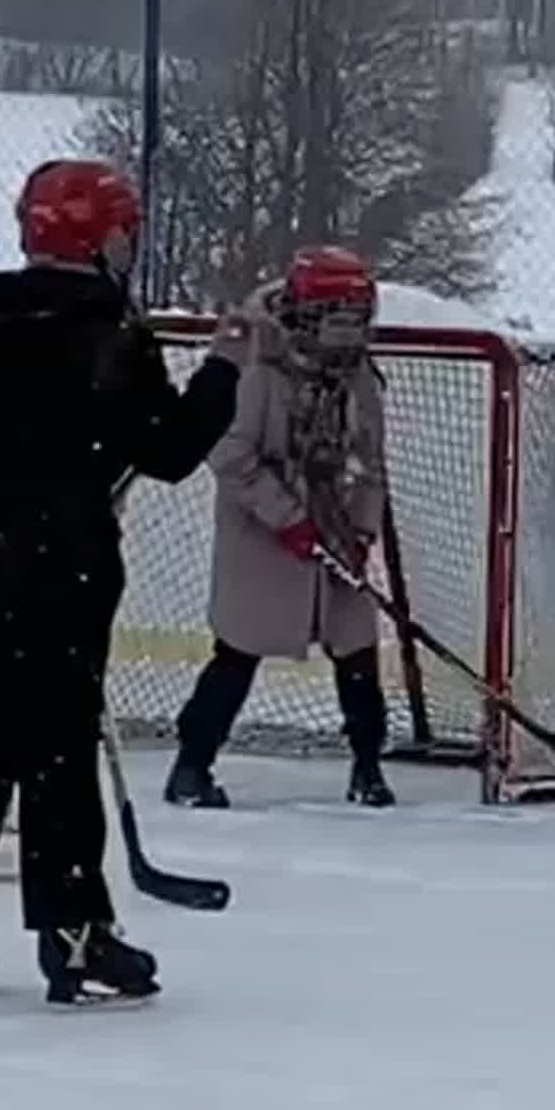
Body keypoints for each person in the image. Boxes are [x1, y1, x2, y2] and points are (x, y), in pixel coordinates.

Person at [0, 158, 241, 1007]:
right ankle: (76, 933)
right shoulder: (109, 338)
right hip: (53, 585)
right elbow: (170, 451)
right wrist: (228, 368)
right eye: (123, 232)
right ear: (98, 240)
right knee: (57, 761)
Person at [164, 246, 396, 812]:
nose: (348, 334)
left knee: (358, 653)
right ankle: (191, 767)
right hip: (260, 539)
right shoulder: (254, 365)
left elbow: (370, 459)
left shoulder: (357, 373)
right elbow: (230, 454)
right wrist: (289, 519)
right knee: (239, 652)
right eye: (337, 319)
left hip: (336, 528)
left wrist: (360, 530)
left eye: (356, 320)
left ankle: (368, 766)